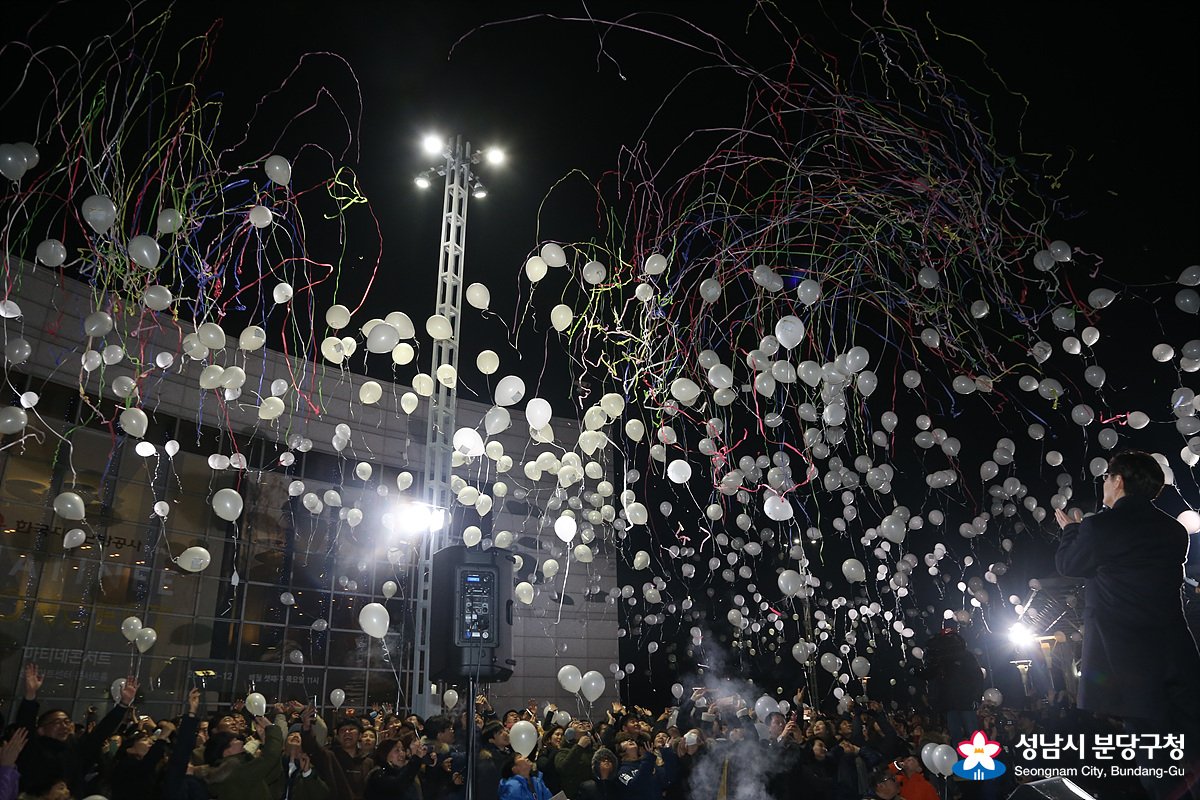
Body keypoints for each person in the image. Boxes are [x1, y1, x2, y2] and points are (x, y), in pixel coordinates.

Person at [1056, 450, 1200, 799]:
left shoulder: (1100, 527)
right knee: (1193, 748)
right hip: (1177, 655)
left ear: (1118, 481)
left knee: (1156, 762)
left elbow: (1068, 564)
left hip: (1130, 663)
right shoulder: (1173, 530)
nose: (1104, 484)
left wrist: (1071, 531)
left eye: (1106, 478)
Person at [15, 663, 139, 797]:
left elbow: (100, 733)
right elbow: (24, 725)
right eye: (57, 722)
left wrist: (123, 704)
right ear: (41, 730)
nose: (64, 726)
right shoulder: (33, 750)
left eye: (67, 721)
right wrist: (30, 695)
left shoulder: (75, 750)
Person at [364, 735, 424, 800]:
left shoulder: (404, 772)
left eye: (403, 750)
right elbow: (397, 786)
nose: (402, 754)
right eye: (397, 750)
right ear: (385, 754)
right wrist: (416, 760)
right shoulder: (377, 774)